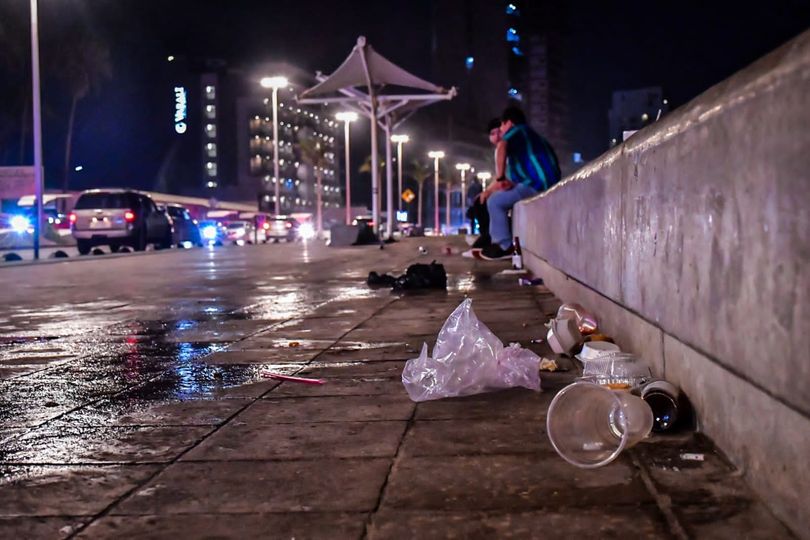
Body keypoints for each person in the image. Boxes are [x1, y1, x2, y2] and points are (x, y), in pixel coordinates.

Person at [477, 106, 561, 260]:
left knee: (495, 202)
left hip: (538, 185)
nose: (501, 131)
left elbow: (502, 146)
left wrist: (500, 178)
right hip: (546, 184)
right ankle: (494, 240)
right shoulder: (531, 137)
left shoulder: (517, 131)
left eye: (502, 126)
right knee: (499, 197)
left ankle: (503, 246)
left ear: (509, 123)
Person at [461, 118, 502, 257]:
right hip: (505, 187)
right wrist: (487, 191)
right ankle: (485, 236)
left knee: (482, 202)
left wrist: (489, 191)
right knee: (479, 201)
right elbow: (498, 177)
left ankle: (488, 238)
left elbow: (504, 178)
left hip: (514, 187)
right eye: (492, 133)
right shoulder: (499, 149)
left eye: (499, 132)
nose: (496, 136)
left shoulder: (505, 147)